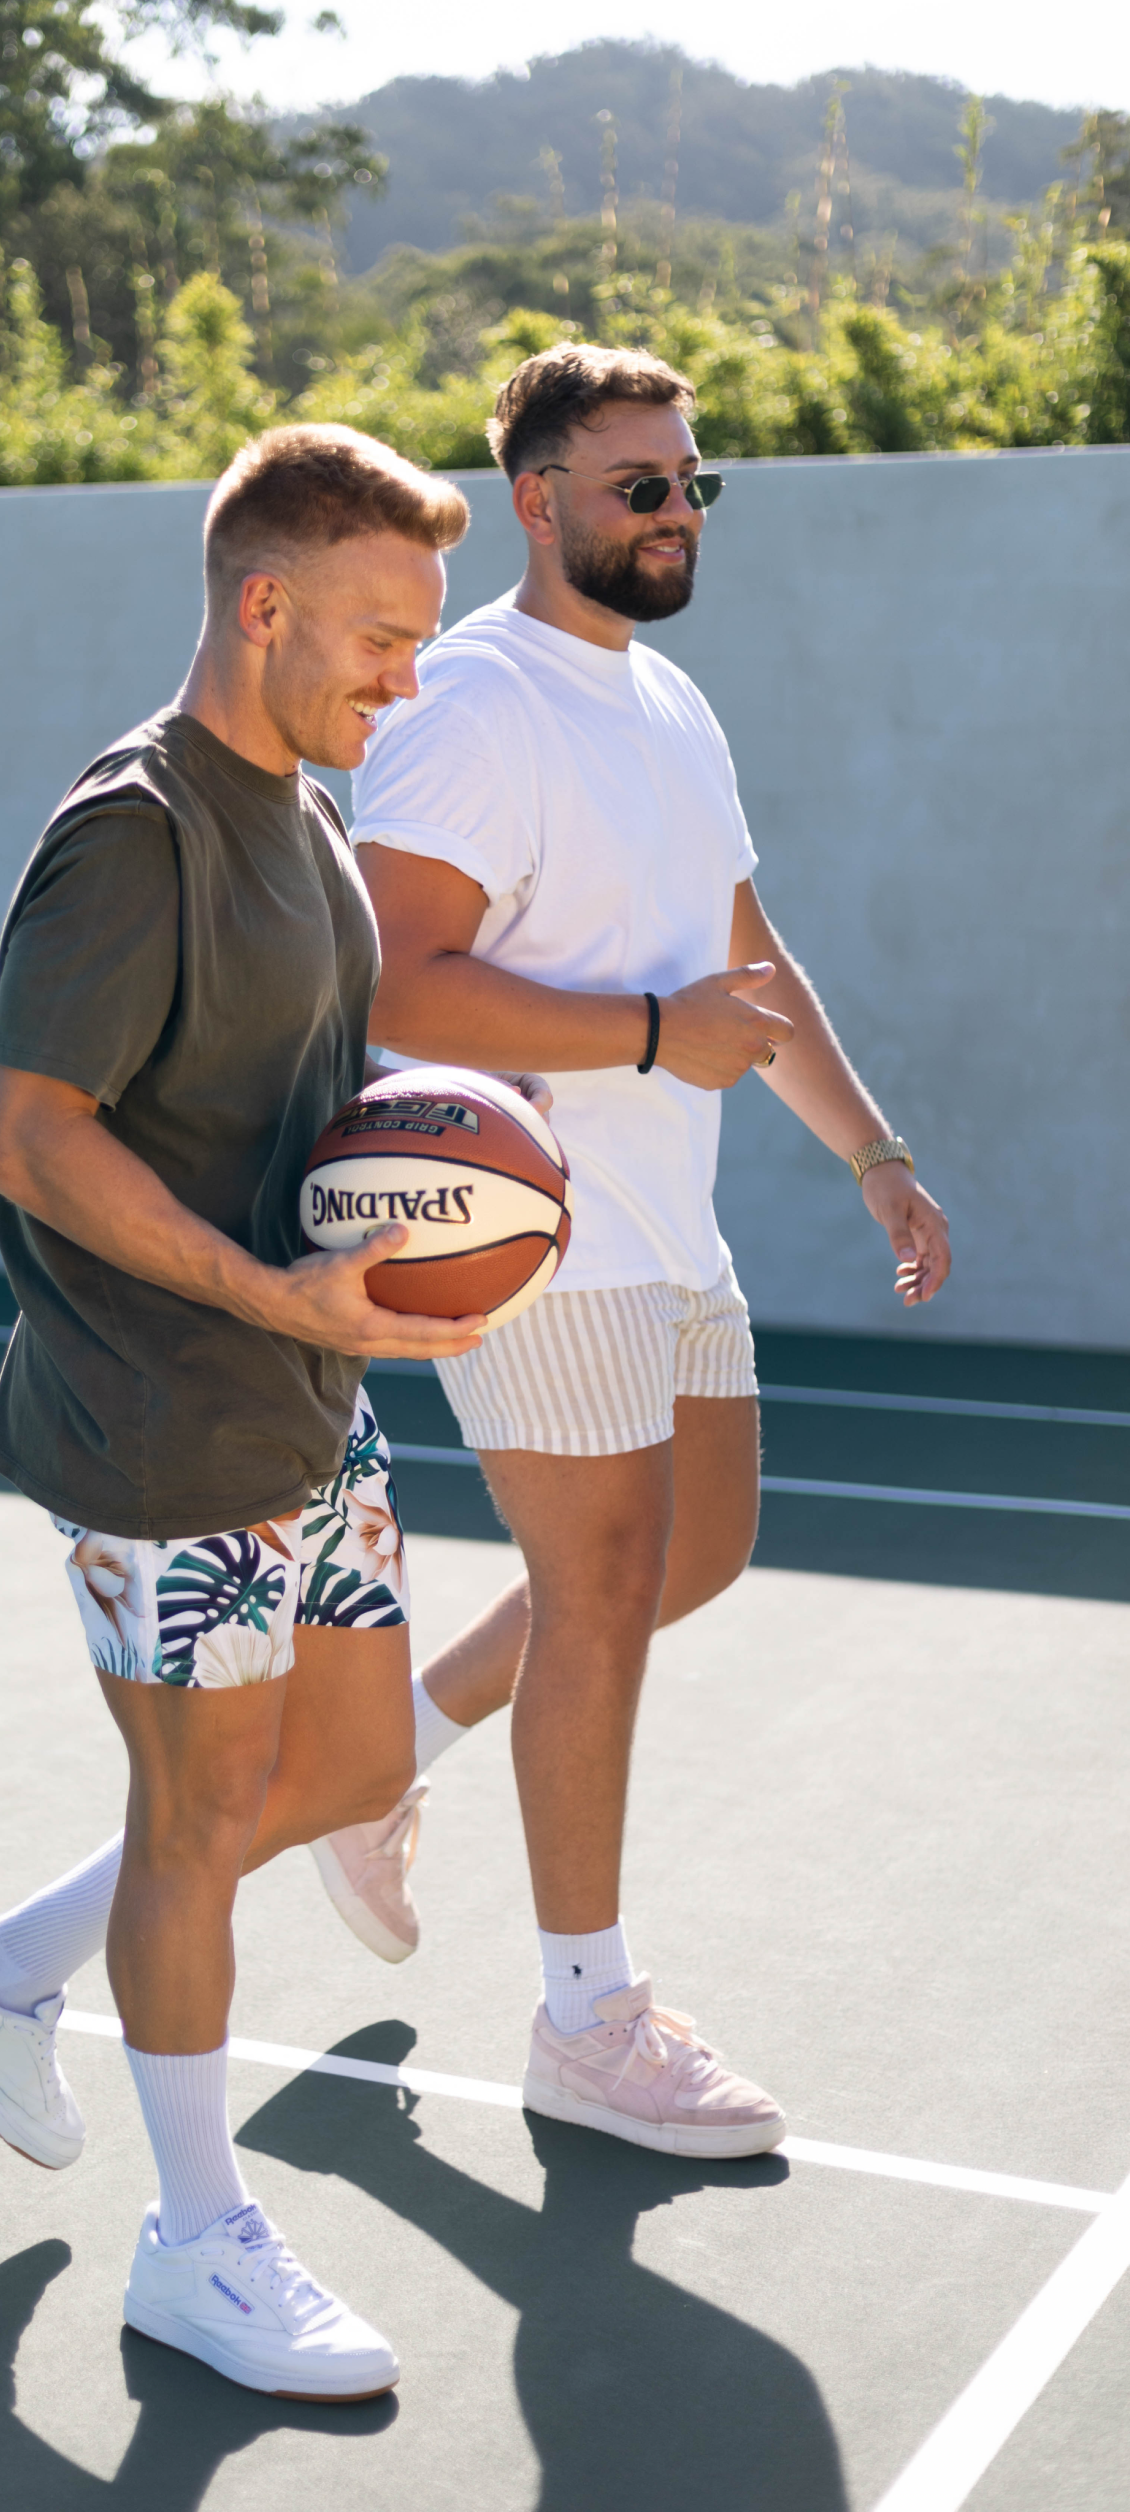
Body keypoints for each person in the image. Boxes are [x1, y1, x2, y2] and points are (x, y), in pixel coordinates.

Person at [0, 426, 490, 2402]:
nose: (408, 678)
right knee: (199, 1809)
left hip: (311, 1385)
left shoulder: (306, 815)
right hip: (158, 1413)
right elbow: (28, 1135)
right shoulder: (135, 832)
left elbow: (317, 1107)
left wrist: (459, 1195)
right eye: (384, 638)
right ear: (263, 601)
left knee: (337, 1769)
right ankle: (195, 2237)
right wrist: (264, 1292)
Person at [311, 343, 952, 2159]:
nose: (677, 512)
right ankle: (582, 2019)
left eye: (692, 484)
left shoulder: (670, 706)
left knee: (698, 1553)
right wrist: (657, 1038)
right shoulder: (472, 703)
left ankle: (380, 1767)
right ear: (537, 499)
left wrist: (871, 1154)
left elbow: (751, 963)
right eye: (639, 485)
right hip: (527, 1231)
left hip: (674, 1223)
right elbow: (398, 976)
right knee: (598, 1591)